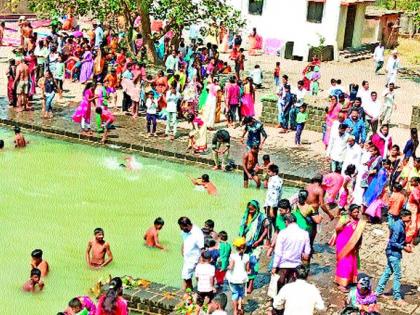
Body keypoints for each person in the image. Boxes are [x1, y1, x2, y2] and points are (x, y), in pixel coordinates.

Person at [375, 209, 413, 305]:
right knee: (397, 275)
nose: (410, 219)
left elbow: (397, 239)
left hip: (391, 252)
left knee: (388, 272)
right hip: (393, 253)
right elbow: (393, 242)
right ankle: (397, 297)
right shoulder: (399, 227)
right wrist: (404, 247)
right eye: (409, 217)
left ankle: (378, 291)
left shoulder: (399, 224)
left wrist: (405, 244)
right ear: (403, 217)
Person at [271, 214, 311, 296]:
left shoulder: (283, 233)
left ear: (286, 222)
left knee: (280, 288)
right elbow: (307, 251)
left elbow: (278, 252)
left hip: (283, 265)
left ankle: (279, 305)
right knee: (292, 289)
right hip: (296, 265)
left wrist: (274, 266)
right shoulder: (304, 233)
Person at [238, 200, 269, 293]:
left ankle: (250, 285)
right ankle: (244, 282)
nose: (250, 211)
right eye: (249, 209)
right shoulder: (246, 216)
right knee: (244, 263)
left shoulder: (262, 217)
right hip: (245, 244)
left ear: (256, 208)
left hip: (256, 244)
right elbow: (242, 229)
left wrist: (259, 240)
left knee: (253, 263)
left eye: (252, 209)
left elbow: (266, 230)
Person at [334, 204, 366, 292]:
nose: (356, 214)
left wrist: (359, 244)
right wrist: (345, 223)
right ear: (350, 212)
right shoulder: (344, 218)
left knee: (351, 261)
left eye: (358, 212)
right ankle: (342, 284)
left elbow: (360, 235)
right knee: (344, 262)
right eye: (354, 212)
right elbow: (337, 229)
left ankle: (350, 280)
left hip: (353, 244)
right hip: (342, 243)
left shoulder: (359, 222)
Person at [178, 216, 205, 290]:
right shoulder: (184, 231)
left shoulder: (197, 233)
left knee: (198, 277)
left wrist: (201, 262)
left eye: (182, 227)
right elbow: (184, 240)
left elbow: (202, 249)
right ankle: (190, 289)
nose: (181, 229)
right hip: (187, 258)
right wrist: (182, 249)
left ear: (187, 225)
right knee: (186, 276)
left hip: (196, 259)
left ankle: (201, 291)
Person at [226, 237, 250, 315]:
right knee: (241, 293)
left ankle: (235, 310)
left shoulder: (232, 256)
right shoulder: (247, 256)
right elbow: (247, 269)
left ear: (236, 247)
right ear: (245, 247)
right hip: (242, 279)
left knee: (235, 293)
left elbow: (231, 267)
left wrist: (226, 267)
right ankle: (240, 306)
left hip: (233, 279)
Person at [264, 164, 283, 232]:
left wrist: (271, 208)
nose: (268, 173)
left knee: (268, 223)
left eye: (269, 172)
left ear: (274, 173)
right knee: (275, 221)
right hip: (276, 204)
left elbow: (274, 194)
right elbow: (279, 193)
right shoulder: (280, 180)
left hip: (270, 205)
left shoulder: (273, 181)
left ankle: (268, 241)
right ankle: (277, 235)